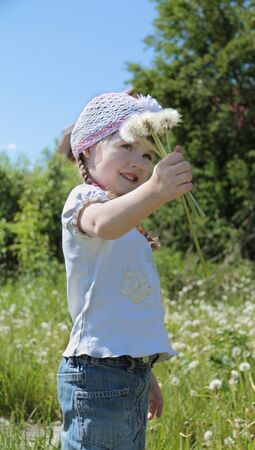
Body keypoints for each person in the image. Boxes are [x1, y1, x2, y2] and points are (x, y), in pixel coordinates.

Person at [57, 92, 193, 450]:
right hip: (96, 378)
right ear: (87, 149)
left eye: (149, 155)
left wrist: (144, 375)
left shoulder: (131, 221)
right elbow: (103, 225)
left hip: (127, 374)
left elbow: (124, 314)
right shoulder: (84, 200)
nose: (140, 162)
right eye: (127, 147)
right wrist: (156, 190)